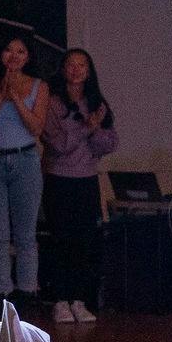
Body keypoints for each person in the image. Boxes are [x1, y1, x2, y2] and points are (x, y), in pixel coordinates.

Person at [0, 34, 49, 307]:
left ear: (28, 57)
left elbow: (37, 128)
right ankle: (1, 294)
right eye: (8, 49)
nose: (13, 56)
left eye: (20, 51)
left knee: (25, 233)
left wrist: (16, 98)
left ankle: (27, 292)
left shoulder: (39, 86)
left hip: (25, 160)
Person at [42, 48, 115, 324]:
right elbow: (59, 144)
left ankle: (79, 299)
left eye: (82, 65)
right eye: (71, 65)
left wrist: (94, 129)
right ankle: (60, 300)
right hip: (59, 179)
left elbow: (110, 142)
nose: (76, 70)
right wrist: (86, 128)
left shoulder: (96, 102)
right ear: (63, 69)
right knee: (61, 239)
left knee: (85, 241)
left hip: (87, 180)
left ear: (89, 70)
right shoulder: (52, 102)